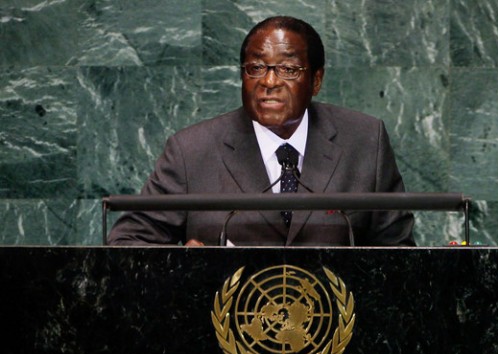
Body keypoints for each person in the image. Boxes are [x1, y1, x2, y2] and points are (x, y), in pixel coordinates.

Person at [108, 16, 415, 247]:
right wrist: (183, 269)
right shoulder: (191, 151)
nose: (269, 82)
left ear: (316, 80)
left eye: (288, 69)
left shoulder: (365, 141)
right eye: (256, 68)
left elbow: (400, 253)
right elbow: (128, 242)